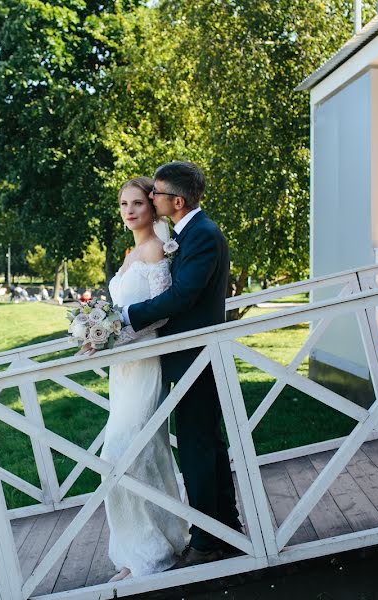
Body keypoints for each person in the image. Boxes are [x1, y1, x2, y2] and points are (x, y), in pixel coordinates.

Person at [122, 162, 241, 568]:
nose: (151, 199)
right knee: (205, 446)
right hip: (189, 357)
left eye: (154, 193)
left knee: (197, 449)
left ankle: (208, 541)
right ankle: (228, 531)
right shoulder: (188, 234)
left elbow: (182, 297)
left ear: (177, 200)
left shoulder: (203, 235)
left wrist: (124, 319)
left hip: (198, 357)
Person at [85, 176, 189, 581]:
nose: (129, 211)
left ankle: (154, 553)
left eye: (137, 204)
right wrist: (97, 333)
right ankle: (140, 549)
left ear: (152, 205)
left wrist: (115, 332)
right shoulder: (130, 253)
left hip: (146, 362)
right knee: (147, 453)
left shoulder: (157, 249)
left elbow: (163, 312)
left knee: (124, 454)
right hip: (122, 370)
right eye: (123, 204)